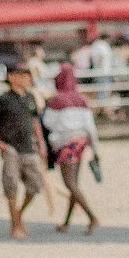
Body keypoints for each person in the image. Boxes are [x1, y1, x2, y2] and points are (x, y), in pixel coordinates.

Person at [0, 62, 48, 240]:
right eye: (22, 75)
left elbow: (35, 121)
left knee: (36, 184)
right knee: (11, 184)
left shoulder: (29, 97)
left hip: (28, 146)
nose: (26, 79)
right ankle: (14, 223)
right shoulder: (3, 99)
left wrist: (40, 141)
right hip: (10, 146)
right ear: (12, 77)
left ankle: (18, 214)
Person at [43, 63, 100, 233]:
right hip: (81, 142)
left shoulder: (56, 100)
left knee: (70, 184)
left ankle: (92, 217)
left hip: (66, 143)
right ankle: (66, 223)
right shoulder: (82, 100)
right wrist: (96, 150)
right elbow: (91, 128)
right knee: (73, 183)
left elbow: (47, 122)